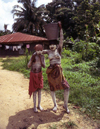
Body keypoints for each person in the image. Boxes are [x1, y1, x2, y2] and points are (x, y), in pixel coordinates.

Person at [42, 22, 70, 113]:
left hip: (59, 72)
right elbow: (39, 51)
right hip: (51, 72)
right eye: (50, 45)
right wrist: (36, 53)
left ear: (56, 45)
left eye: (53, 44)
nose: (52, 46)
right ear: (49, 45)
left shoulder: (59, 49)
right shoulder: (48, 51)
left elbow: (61, 39)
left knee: (66, 88)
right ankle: (55, 105)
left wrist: (61, 29)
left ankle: (65, 105)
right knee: (52, 89)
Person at [27, 44, 45, 113]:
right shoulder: (33, 56)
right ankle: (34, 106)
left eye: (41, 50)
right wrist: (32, 59)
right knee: (34, 91)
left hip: (39, 74)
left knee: (39, 90)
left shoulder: (42, 56)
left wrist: (41, 59)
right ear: (35, 50)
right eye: (38, 50)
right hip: (33, 74)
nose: (39, 52)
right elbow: (28, 66)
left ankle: (39, 105)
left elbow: (44, 66)